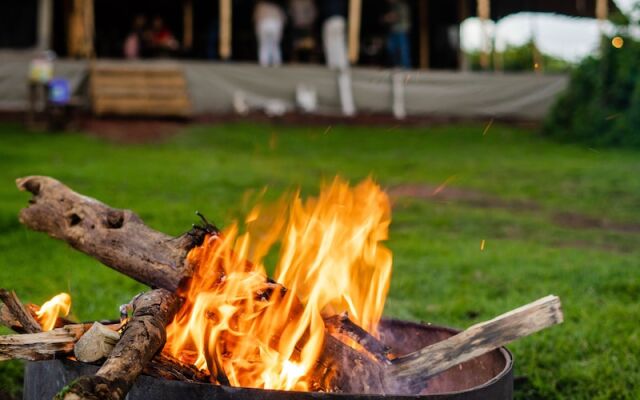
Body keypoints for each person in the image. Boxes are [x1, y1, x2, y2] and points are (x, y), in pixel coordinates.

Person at [254, 1, 286, 67]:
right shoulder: (276, 7)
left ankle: (264, 62)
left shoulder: (261, 6)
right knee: (275, 45)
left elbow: (256, 17)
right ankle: (276, 62)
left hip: (264, 24)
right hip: (275, 24)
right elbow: (283, 19)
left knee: (264, 44)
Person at [383, 0, 412, 68]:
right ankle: (397, 65)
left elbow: (397, 16)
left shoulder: (400, 5)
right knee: (392, 48)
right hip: (394, 30)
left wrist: (387, 18)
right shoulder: (393, 6)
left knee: (403, 49)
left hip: (401, 29)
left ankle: (405, 66)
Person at [321, 0, 348, 70]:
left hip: (332, 19)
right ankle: (341, 63)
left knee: (332, 41)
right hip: (339, 19)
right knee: (338, 41)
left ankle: (335, 63)